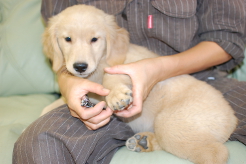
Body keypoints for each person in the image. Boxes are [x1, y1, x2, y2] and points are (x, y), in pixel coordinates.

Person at [13, 0, 246, 163]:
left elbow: (226, 40)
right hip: (99, 100)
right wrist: (68, 83)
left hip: (198, 82)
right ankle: (156, 138)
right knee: (39, 142)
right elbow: (63, 43)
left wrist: (158, 68)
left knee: (175, 129)